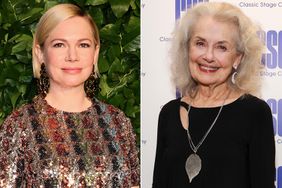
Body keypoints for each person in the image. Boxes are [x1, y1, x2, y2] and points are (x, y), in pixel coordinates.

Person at [0, 3, 140, 187]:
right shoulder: (19, 126)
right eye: (59, 45)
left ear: (95, 53)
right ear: (40, 53)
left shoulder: (118, 122)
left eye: (83, 45)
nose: (72, 56)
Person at [153, 2, 275, 188]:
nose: (208, 56)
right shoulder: (169, 113)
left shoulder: (255, 113)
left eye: (222, 47)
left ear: (237, 58)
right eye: (200, 43)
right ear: (188, 49)